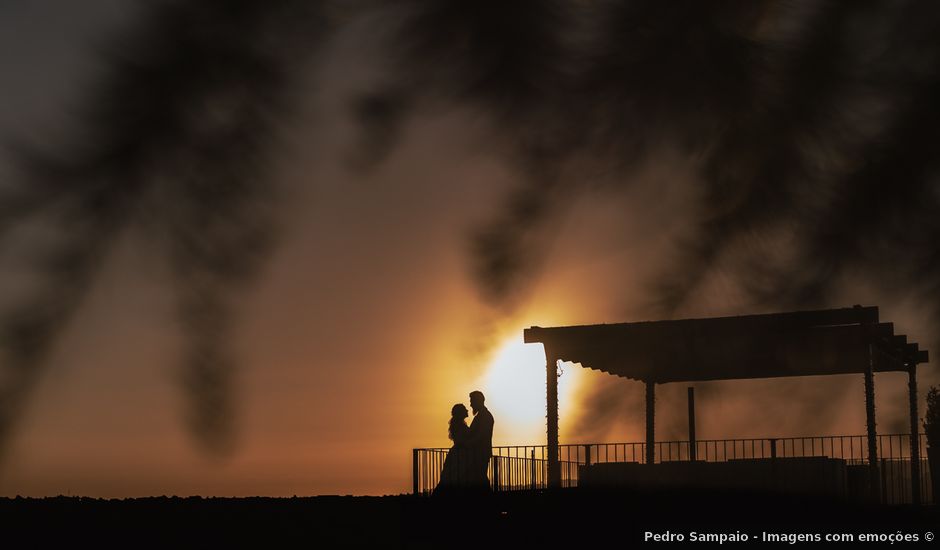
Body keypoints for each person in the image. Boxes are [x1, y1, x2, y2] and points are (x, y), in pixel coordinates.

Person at [433, 403, 472, 495]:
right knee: (454, 476)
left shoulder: (459, 424)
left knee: (451, 476)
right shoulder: (459, 425)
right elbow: (460, 440)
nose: (467, 410)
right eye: (465, 409)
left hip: (458, 453)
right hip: (459, 453)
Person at [467, 390, 494, 489]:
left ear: (478, 401)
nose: (470, 405)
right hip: (479, 453)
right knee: (480, 478)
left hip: (480, 453)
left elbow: (481, 435)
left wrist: (468, 443)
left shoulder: (485, 416)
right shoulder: (482, 415)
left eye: (472, 401)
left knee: (480, 478)